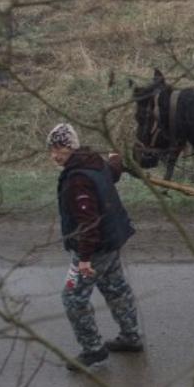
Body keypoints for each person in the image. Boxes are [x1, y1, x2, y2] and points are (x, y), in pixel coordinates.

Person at [49, 122, 144, 372]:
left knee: (72, 298)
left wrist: (84, 259)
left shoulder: (78, 179)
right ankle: (131, 336)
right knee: (116, 288)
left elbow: (88, 223)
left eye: (59, 148)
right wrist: (116, 156)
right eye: (52, 149)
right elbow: (112, 171)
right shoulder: (94, 161)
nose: (54, 154)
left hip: (95, 248)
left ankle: (93, 350)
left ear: (71, 148)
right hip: (112, 242)